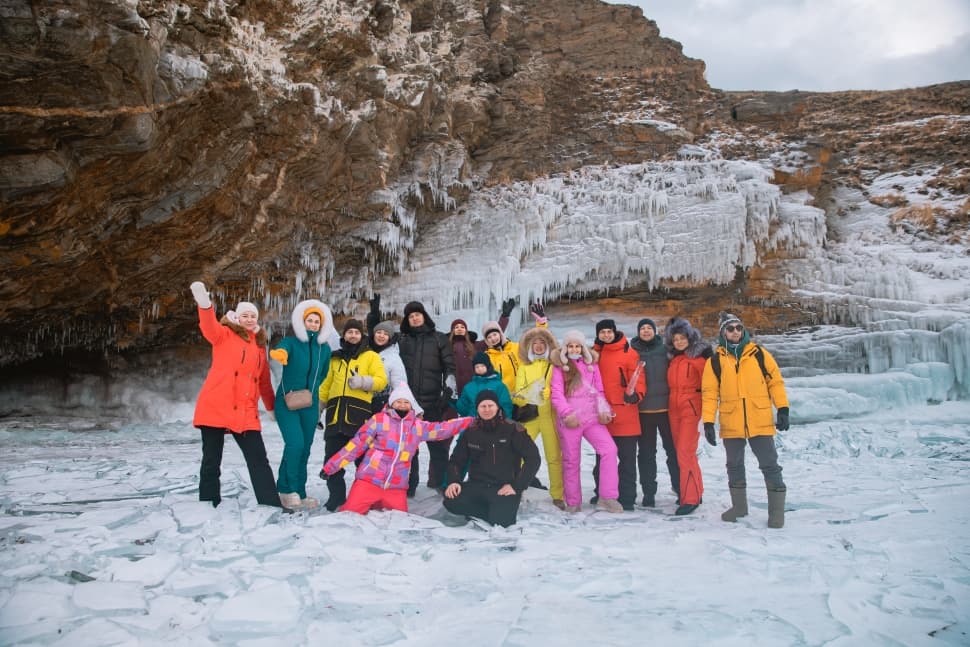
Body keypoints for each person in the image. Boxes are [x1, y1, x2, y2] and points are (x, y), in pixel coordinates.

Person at [188, 281, 281, 509]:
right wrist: (204, 304)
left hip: (246, 411)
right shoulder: (224, 335)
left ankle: (271, 503)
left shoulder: (259, 347)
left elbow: (264, 381)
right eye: (245, 315)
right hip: (216, 405)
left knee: (259, 459)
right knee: (212, 459)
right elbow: (208, 326)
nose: (249, 319)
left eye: (253, 316)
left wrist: (271, 407)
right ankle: (208, 502)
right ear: (237, 317)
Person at [321, 382, 473, 515]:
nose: (402, 405)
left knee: (399, 521)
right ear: (391, 403)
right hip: (369, 482)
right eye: (398, 401)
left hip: (396, 487)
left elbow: (442, 429)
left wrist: (470, 421)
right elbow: (355, 446)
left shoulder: (416, 427)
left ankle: (379, 503)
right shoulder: (378, 420)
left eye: (406, 402)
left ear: (411, 405)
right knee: (349, 515)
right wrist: (330, 467)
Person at [702, 312, 790, 528]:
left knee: (770, 465)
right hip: (732, 420)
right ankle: (739, 507)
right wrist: (708, 422)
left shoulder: (759, 354)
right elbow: (710, 393)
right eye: (730, 328)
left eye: (738, 328)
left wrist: (782, 408)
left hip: (759, 418)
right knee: (734, 465)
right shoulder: (715, 361)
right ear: (723, 333)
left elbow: (775, 382)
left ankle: (776, 513)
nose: (735, 332)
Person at [269, 299, 334, 511]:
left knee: (304, 448)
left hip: (309, 403)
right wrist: (280, 354)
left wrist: (312, 391)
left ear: (322, 325)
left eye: (316, 321)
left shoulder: (324, 349)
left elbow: (323, 373)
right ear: (302, 322)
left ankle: (300, 491)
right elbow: (282, 349)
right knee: (295, 444)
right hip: (287, 401)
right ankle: (286, 489)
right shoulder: (291, 342)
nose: (313, 324)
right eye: (310, 320)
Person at [549, 330, 624, 513]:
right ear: (565, 348)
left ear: (583, 348)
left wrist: (603, 410)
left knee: (609, 449)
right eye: (571, 346)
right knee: (571, 460)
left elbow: (599, 390)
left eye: (578, 346)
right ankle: (573, 502)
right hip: (571, 419)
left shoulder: (592, 366)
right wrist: (567, 414)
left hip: (591, 418)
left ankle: (607, 497)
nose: (574, 349)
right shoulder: (560, 368)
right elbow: (556, 393)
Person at [318, 319, 388, 511]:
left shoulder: (371, 356)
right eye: (350, 332)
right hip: (335, 416)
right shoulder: (335, 358)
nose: (353, 335)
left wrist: (363, 381)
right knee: (332, 460)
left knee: (363, 462)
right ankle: (336, 497)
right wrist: (319, 409)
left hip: (359, 417)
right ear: (344, 335)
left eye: (356, 332)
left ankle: (363, 498)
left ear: (361, 335)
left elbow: (381, 381)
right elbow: (325, 385)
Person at [443, 390, 541, 527]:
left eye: (490, 405)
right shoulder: (471, 431)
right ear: (477, 409)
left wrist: (517, 486)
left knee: (502, 522)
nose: (487, 409)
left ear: (497, 407)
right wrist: (454, 481)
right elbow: (456, 461)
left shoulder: (513, 429)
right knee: (450, 500)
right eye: (483, 406)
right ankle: (489, 511)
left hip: (504, 487)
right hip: (477, 484)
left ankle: (494, 511)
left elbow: (533, 458)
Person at [397, 301, 457, 495]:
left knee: (438, 447)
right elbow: (378, 342)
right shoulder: (402, 340)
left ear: (424, 316)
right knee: (408, 449)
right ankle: (409, 485)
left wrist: (448, 391)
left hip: (432, 403)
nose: (415, 318)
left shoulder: (439, 338)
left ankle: (442, 483)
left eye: (417, 314)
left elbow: (450, 367)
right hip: (408, 405)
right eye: (411, 316)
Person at [591, 319, 646, 511]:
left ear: (615, 332)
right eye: (602, 332)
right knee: (602, 458)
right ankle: (602, 492)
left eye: (609, 331)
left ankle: (627, 497)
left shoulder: (629, 353)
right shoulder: (593, 354)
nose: (606, 335)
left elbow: (639, 378)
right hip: (601, 414)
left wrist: (636, 395)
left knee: (627, 459)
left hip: (625, 412)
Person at [664, 317, 713, 516]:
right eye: (675, 339)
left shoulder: (699, 360)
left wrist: (709, 416)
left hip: (691, 410)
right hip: (674, 410)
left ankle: (690, 498)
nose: (679, 342)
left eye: (682, 338)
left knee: (685, 452)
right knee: (683, 453)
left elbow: (710, 387)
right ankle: (696, 491)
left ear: (690, 338)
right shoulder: (674, 360)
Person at [513, 326, 565, 509]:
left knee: (554, 457)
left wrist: (549, 392)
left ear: (548, 345)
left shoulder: (555, 366)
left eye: (542, 342)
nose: (538, 346)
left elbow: (561, 387)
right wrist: (526, 396)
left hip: (550, 417)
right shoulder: (524, 368)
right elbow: (518, 393)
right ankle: (516, 490)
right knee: (519, 455)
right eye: (534, 343)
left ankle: (557, 495)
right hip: (531, 417)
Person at [630, 317, 679, 507]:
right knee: (646, 455)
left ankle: (680, 488)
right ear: (638, 332)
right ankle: (649, 493)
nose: (646, 331)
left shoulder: (666, 349)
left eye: (649, 328)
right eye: (642, 328)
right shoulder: (632, 352)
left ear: (655, 331)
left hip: (667, 410)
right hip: (643, 412)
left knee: (673, 452)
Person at [365, 295, 419, 415]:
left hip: (382, 404)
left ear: (390, 338)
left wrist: (416, 410)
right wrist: (373, 313)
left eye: (385, 334)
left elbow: (400, 385)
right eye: (379, 332)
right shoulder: (365, 351)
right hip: (361, 402)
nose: (381, 336)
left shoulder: (393, 357)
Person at [455, 352, 513, 418]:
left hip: (495, 421)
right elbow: (463, 409)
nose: (480, 369)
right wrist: (453, 401)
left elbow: (506, 406)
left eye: (482, 366)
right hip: (475, 422)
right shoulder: (469, 387)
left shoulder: (499, 386)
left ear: (488, 366)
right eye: (477, 367)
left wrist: (504, 421)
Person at [448, 318, 478, 397]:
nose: (459, 329)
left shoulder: (473, 345)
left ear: (466, 331)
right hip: (454, 387)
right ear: (452, 331)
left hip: (471, 385)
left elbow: (491, 338)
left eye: (462, 327)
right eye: (456, 327)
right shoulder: (446, 346)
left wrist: (504, 317)